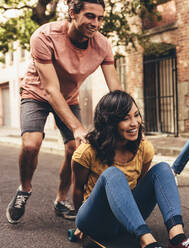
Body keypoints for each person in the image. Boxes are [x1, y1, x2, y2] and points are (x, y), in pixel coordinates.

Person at [6, 0, 122, 224]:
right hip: (36, 94)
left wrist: (129, 118)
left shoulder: (103, 45)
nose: (95, 23)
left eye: (100, 18)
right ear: (72, 13)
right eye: (90, 16)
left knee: (74, 148)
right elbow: (50, 90)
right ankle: (24, 189)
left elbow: (115, 88)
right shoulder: (45, 36)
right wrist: (77, 127)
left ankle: (61, 199)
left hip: (68, 98)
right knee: (31, 144)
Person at [71, 90, 189, 248]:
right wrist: (81, 226)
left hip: (125, 220)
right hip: (95, 220)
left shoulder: (144, 148)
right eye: (125, 118)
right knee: (113, 174)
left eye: (136, 115)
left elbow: (140, 184)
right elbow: (77, 189)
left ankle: (177, 238)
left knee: (163, 169)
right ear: (109, 122)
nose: (134, 123)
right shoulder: (86, 151)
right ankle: (147, 241)